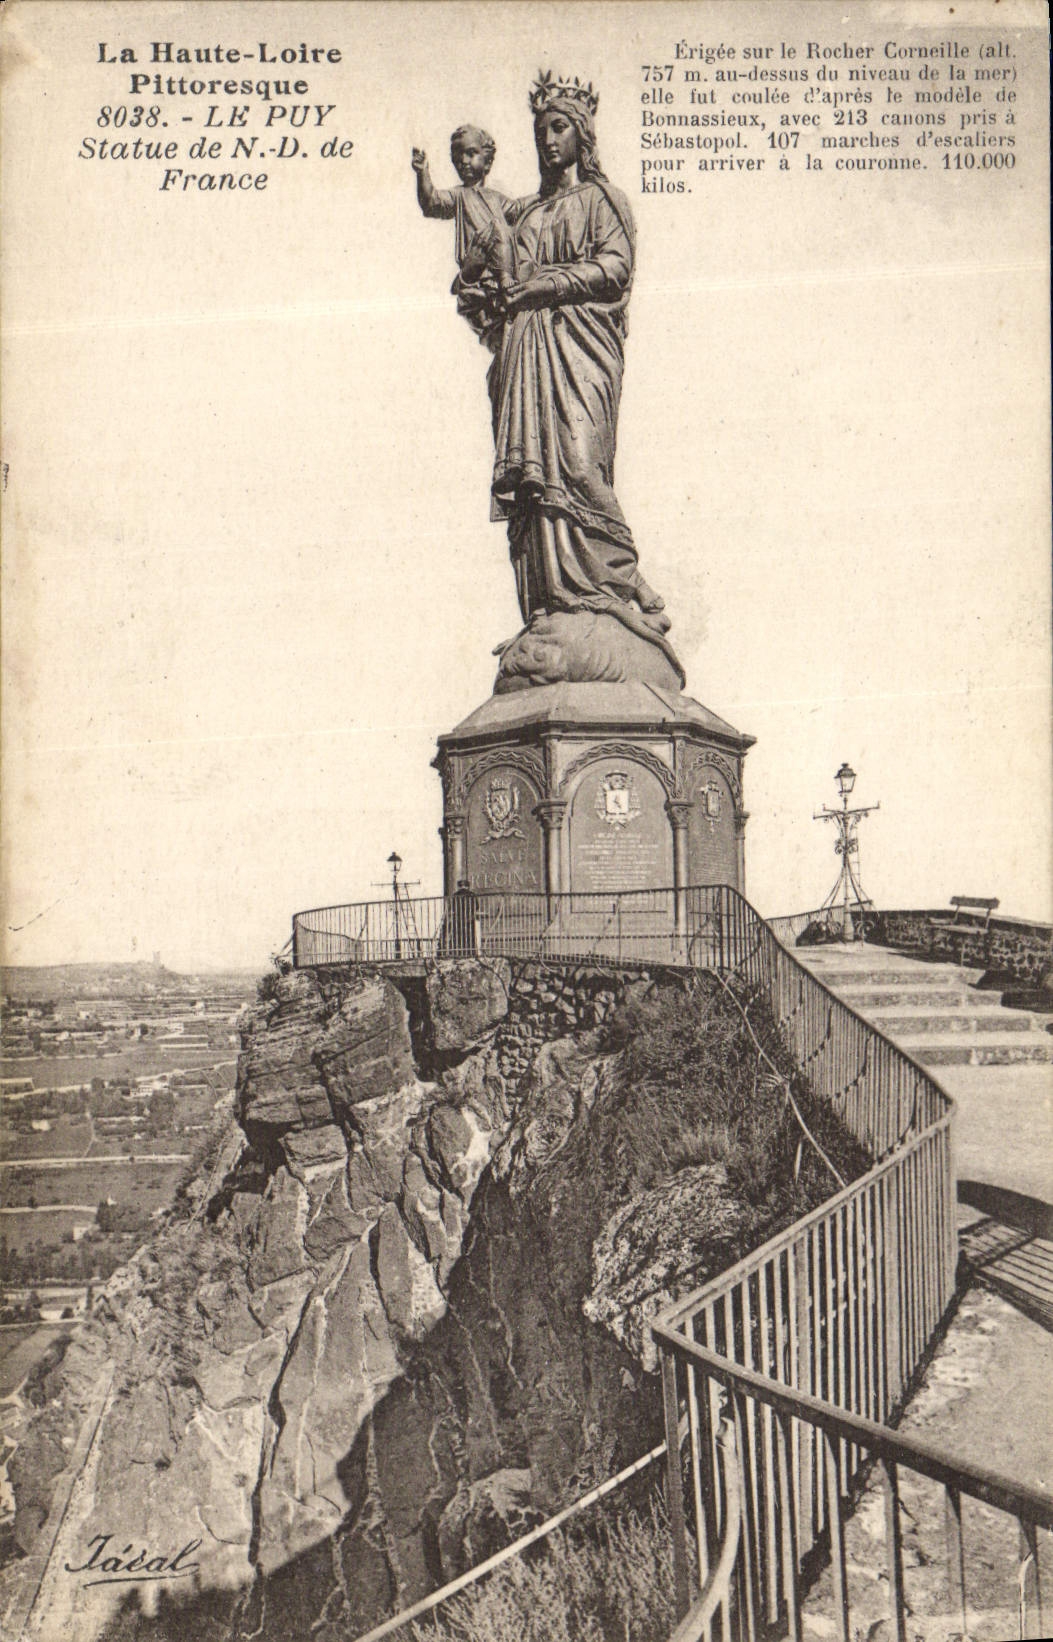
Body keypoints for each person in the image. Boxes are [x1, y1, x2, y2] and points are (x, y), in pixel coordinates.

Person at [463, 75, 677, 668]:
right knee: (535, 487)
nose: (548, 140)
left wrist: (545, 285)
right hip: (525, 359)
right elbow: (492, 282)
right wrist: (483, 288)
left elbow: (614, 268)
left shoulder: (602, 202)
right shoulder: (522, 212)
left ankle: (627, 585)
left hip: (580, 351)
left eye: (559, 128)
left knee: (579, 463)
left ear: (582, 136)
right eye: (540, 131)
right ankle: (550, 604)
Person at [411, 127, 515, 344]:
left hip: (502, 278)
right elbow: (431, 203)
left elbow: (519, 217)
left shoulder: (498, 199)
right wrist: (423, 173)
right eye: (457, 156)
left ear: (487, 161)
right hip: (477, 282)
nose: (463, 161)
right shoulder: (459, 195)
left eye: (470, 153)